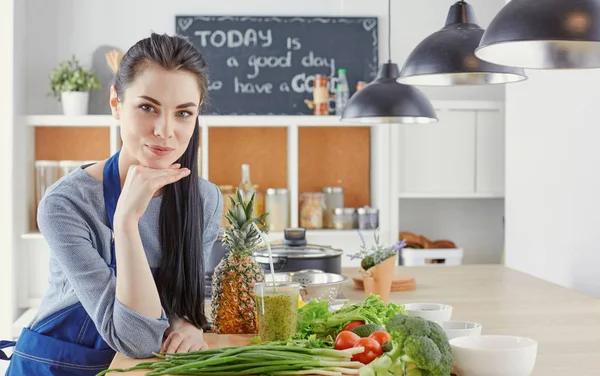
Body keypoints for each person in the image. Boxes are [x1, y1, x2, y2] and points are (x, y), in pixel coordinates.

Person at [0, 33, 223, 375]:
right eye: (148, 107)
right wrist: (126, 221)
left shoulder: (204, 200)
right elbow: (138, 339)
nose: (165, 130)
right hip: (58, 366)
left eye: (183, 113)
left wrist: (187, 324)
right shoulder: (66, 204)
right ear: (116, 104)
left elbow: (180, 298)